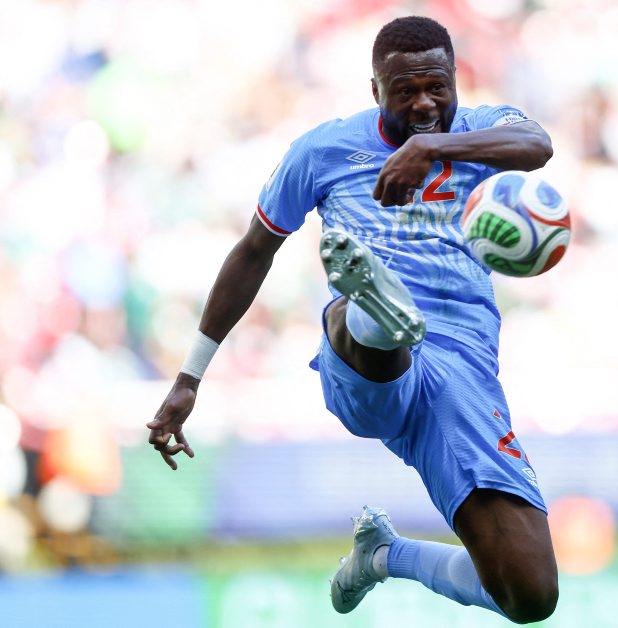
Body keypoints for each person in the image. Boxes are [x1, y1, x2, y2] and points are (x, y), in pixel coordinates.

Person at [146, 15, 558, 624]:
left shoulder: (481, 129)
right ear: (374, 90)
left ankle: (385, 556)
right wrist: (190, 376)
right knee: (358, 315)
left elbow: (538, 145)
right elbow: (253, 252)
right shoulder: (324, 150)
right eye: (405, 91)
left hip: (462, 372)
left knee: (530, 596)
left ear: (454, 80)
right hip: (362, 362)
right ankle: (375, 303)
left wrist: (431, 148)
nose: (424, 103)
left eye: (437, 87)